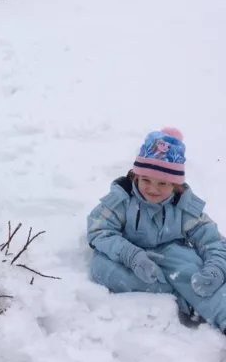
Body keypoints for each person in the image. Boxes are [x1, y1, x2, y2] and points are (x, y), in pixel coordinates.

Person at [87, 127, 226, 331]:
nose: (153, 189)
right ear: (136, 176)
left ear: (176, 185)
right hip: (129, 255)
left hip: (170, 255)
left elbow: (213, 241)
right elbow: (99, 231)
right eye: (146, 180)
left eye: (163, 183)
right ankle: (182, 296)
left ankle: (216, 309)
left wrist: (216, 269)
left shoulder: (183, 207)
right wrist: (131, 255)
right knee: (101, 268)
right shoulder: (121, 201)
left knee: (191, 271)